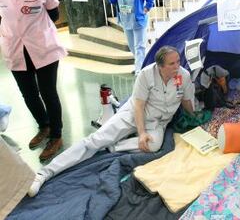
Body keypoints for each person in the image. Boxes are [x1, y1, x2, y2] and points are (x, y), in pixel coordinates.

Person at [28, 45, 195, 197]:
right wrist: (142, 132)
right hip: (134, 114)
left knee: (154, 146)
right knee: (94, 141)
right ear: (160, 66)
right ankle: (44, 174)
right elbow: (138, 106)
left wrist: (196, 117)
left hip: (158, 122)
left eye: (178, 61)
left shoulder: (184, 76)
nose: (177, 66)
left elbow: (186, 101)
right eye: (172, 64)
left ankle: (113, 146)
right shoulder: (146, 74)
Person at [0, 0, 67, 161]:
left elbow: (54, 15)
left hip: (44, 49)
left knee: (48, 93)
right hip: (15, 50)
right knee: (29, 94)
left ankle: (56, 135)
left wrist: (36, 30)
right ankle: (44, 125)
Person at [108, 0, 154, 75]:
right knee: (132, 46)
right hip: (125, 20)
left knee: (139, 46)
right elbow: (111, 0)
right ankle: (142, 65)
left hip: (138, 20)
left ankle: (139, 70)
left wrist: (144, 10)